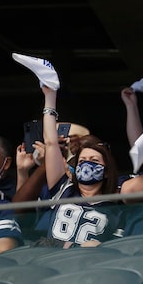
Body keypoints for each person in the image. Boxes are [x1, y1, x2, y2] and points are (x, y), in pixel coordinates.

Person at [36, 85, 126, 247]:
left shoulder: (116, 209)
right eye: (82, 161)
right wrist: (50, 97)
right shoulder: (63, 189)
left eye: (95, 161)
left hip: (87, 265)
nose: (87, 165)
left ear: (106, 171)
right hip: (51, 260)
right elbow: (51, 143)